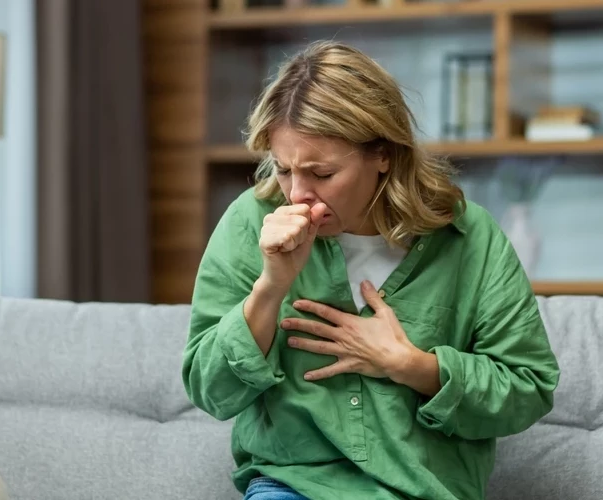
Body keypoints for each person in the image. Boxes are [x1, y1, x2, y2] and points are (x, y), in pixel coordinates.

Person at [181, 40, 560, 500]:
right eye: (283, 170)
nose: (297, 194)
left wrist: (414, 367)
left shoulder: (469, 238)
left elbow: (527, 389)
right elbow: (209, 388)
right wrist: (271, 285)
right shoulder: (249, 222)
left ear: (382, 155)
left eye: (321, 174)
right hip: (292, 486)